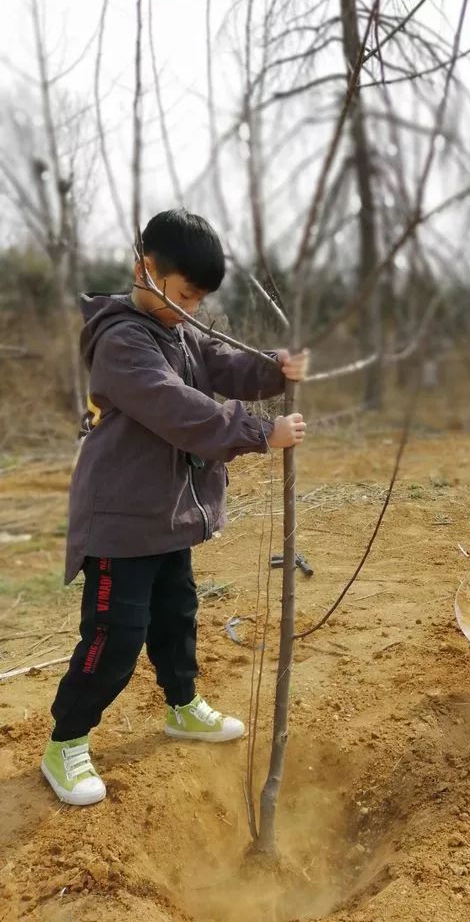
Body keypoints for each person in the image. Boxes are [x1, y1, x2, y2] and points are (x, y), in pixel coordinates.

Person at [42, 209, 309, 806]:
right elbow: (178, 408)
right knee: (115, 635)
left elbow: (221, 363)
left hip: (167, 516)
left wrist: (274, 367)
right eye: (185, 294)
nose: (191, 309)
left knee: (176, 617)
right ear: (146, 269)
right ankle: (66, 741)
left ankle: (182, 706)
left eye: (199, 300)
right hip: (120, 521)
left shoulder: (180, 329)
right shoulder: (121, 340)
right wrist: (260, 432)